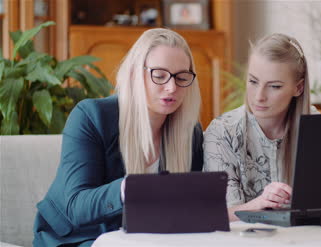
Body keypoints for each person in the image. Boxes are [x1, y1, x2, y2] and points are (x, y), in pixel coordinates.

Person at [33, 28, 203, 246]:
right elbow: (76, 206)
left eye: (181, 77)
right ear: (134, 73)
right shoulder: (91, 116)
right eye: (159, 76)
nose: (172, 87)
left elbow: (191, 209)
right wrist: (129, 188)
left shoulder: (190, 133)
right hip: (76, 239)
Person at [204, 33, 318, 221]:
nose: (259, 96)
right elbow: (218, 214)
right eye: (253, 81)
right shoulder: (223, 132)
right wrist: (260, 203)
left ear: (298, 88)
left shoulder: (316, 126)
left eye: (274, 86)